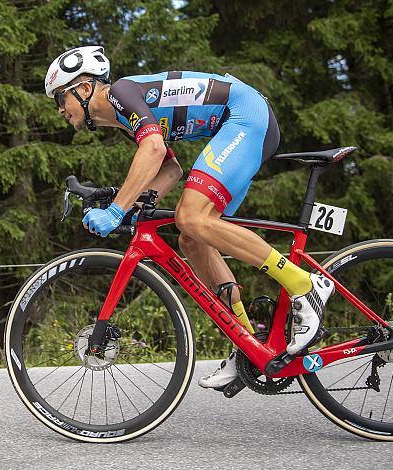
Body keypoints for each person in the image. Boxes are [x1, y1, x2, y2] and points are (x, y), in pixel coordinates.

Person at [45, 46, 334, 390]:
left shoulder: (121, 92)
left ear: (84, 88)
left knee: (191, 217)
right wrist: (130, 201)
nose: (60, 109)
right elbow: (169, 167)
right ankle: (247, 346)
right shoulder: (125, 118)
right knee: (192, 239)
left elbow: (152, 149)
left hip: (244, 115)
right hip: (238, 123)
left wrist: (117, 209)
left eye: (60, 98)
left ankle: (304, 284)